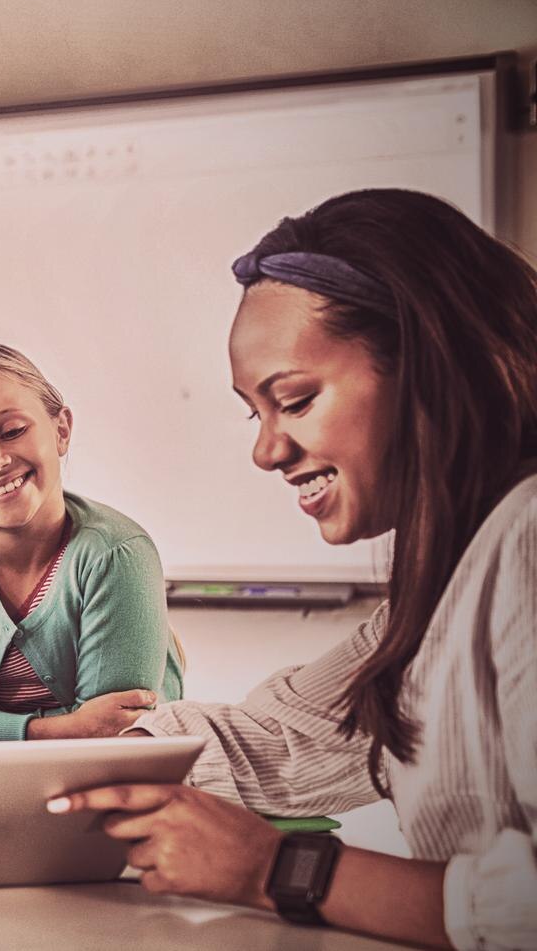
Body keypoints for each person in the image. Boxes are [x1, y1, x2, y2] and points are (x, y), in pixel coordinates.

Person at [52, 189, 537, 949]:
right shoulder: (442, 584)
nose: (267, 450)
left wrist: (276, 868)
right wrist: (86, 750)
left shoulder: (528, 540)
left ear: (430, 364)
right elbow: (282, 737)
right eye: (257, 412)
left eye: (297, 400)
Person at [0, 341, 184, 743]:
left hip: (109, 792)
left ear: (61, 430)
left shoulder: (117, 553)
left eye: (11, 431)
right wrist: (64, 727)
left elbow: (110, 739)